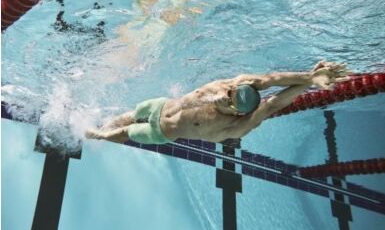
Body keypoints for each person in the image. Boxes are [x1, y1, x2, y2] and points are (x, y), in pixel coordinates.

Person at [85, 61, 351, 144]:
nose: (225, 95)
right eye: (231, 92)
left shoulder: (232, 128)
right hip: (160, 106)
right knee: (130, 114)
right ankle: (107, 124)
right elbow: (271, 79)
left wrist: (305, 88)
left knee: (125, 132)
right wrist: (310, 76)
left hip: (160, 132)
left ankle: (98, 136)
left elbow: (271, 105)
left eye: (230, 100)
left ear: (236, 110)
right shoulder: (233, 84)